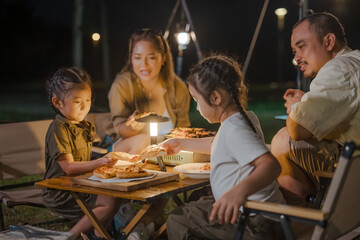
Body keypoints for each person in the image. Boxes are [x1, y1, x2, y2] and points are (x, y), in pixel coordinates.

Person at [162, 55, 285, 240]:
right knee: (197, 197)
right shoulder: (242, 119)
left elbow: (270, 165)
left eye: (196, 100)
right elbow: (219, 145)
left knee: (178, 220)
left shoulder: (234, 128)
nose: (196, 107)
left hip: (254, 223)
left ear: (215, 97)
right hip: (260, 218)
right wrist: (182, 143)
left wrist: (237, 193)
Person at [270, 12, 360, 205]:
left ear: (328, 42)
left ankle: (301, 220)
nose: (297, 59)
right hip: (354, 162)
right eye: (294, 51)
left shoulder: (338, 69)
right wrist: (306, 104)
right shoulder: (355, 61)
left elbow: (297, 129)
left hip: (354, 175)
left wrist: (296, 108)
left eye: (301, 47)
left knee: (282, 140)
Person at [42, 67, 122, 239]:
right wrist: (100, 163)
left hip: (81, 185)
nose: (85, 106)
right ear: (58, 103)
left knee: (117, 195)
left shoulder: (83, 126)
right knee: (108, 203)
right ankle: (70, 237)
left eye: (88, 99)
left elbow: (85, 158)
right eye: (78, 101)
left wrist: (106, 160)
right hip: (61, 191)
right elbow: (69, 167)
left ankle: (99, 234)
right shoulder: (59, 129)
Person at [108, 28, 191, 154]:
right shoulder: (122, 85)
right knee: (145, 140)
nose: (144, 65)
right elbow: (119, 129)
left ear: (163, 58)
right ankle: (138, 172)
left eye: (151, 58)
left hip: (165, 151)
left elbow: (183, 129)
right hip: (125, 148)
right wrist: (134, 127)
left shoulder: (178, 87)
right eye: (138, 57)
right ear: (131, 58)